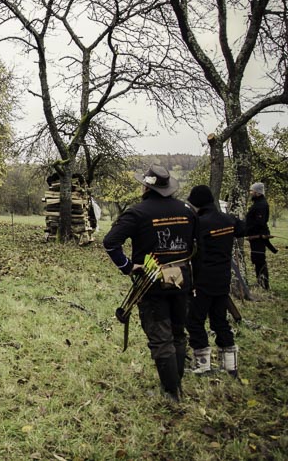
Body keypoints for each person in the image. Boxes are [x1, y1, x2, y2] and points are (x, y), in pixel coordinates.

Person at [103, 165, 197, 402]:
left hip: (151, 283)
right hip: (182, 279)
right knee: (177, 332)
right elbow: (199, 243)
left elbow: (111, 242)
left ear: (146, 186)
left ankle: (171, 392)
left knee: (161, 336)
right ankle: (175, 385)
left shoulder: (137, 212)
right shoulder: (187, 210)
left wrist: (127, 266)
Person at [185, 185, 245, 377]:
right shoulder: (228, 220)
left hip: (202, 281)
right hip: (223, 279)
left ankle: (202, 365)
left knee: (195, 321)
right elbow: (244, 228)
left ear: (197, 204)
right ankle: (230, 366)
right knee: (220, 321)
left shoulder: (199, 223)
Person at [245, 182, 276, 290]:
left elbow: (259, 223)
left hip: (258, 237)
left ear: (257, 193)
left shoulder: (261, 205)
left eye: (252, 191)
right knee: (257, 259)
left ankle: (264, 284)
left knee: (259, 259)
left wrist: (249, 232)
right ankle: (260, 282)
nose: (250, 193)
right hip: (255, 236)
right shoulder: (258, 203)